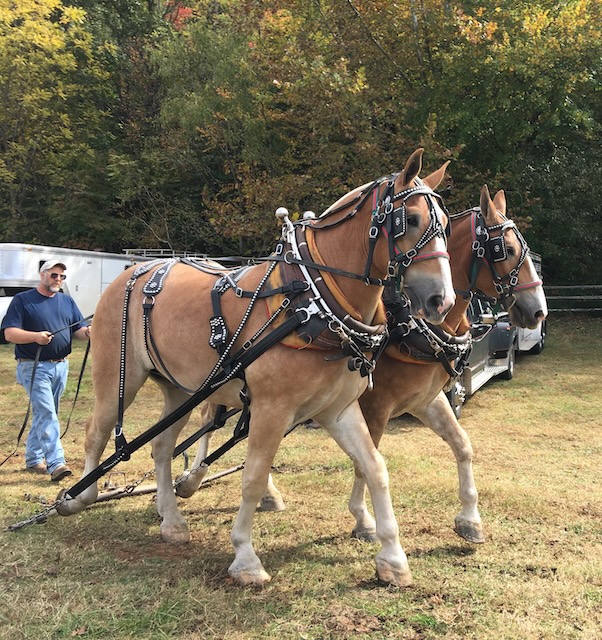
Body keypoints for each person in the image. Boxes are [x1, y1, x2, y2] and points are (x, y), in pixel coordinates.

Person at [1, 260, 90, 481]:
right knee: (47, 413)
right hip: (33, 366)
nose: (58, 279)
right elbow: (9, 333)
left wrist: (89, 333)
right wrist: (35, 337)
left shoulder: (66, 301)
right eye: (54, 275)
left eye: (61, 276)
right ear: (42, 275)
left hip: (61, 366)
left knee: (45, 413)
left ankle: (33, 459)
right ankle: (56, 463)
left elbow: (78, 331)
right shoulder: (23, 300)